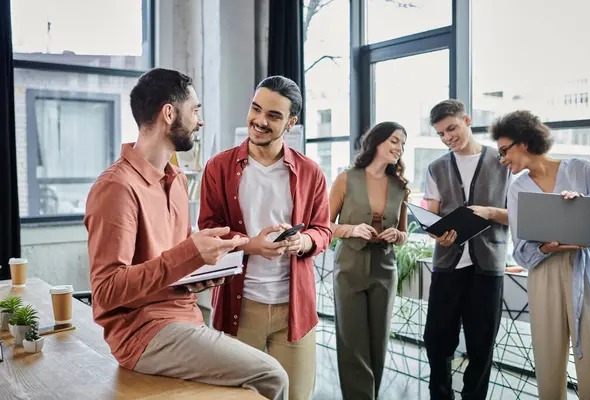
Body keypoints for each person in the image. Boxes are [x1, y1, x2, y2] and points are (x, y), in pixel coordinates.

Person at [84, 68, 289, 400]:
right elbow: (106, 292)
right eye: (195, 110)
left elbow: (172, 265)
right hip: (143, 332)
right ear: (169, 113)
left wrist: (208, 268)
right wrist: (190, 255)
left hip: (184, 317)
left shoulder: (176, 180)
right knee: (272, 375)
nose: (200, 121)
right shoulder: (116, 188)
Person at [198, 75, 332, 400]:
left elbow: (323, 230)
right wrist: (250, 244)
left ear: (291, 122)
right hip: (240, 306)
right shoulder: (218, 168)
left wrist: (305, 242)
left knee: (298, 395)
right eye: (256, 109)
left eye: (273, 115)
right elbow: (208, 231)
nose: (259, 121)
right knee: (236, 396)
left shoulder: (311, 172)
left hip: (294, 309)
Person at [490, 110, 590, 399]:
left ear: (524, 142)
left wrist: (583, 208)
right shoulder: (517, 189)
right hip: (543, 272)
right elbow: (520, 252)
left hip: (583, 269)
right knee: (547, 354)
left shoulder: (582, 170)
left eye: (504, 151)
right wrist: (544, 248)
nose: (502, 159)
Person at [423, 99, 510, 400]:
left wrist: (489, 212)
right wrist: (437, 234)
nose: (448, 138)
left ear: (467, 120)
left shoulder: (502, 163)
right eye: (441, 134)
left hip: (488, 266)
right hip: (448, 266)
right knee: (436, 340)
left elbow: (517, 214)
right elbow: (431, 216)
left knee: (481, 344)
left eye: (452, 129)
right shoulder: (435, 168)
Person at [329, 121, 409, 399]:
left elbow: (404, 234)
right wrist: (350, 229)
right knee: (352, 342)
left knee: (378, 342)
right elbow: (323, 225)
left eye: (402, 144)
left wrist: (396, 235)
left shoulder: (400, 186)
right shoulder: (346, 179)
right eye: (395, 141)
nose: (399, 148)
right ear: (377, 141)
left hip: (385, 269)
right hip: (350, 266)